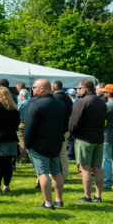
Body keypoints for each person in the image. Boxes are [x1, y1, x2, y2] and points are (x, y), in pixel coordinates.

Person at [24, 80, 65, 209]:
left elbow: (29, 127)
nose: (32, 90)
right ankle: (58, 200)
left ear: (42, 89)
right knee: (56, 172)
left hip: (39, 145)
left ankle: (48, 202)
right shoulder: (60, 104)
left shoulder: (35, 104)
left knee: (43, 173)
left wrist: (27, 144)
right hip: (55, 143)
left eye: (34, 87)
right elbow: (64, 125)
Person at [68, 79, 108, 203]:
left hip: (84, 138)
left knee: (85, 169)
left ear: (85, 89)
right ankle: (98, 196)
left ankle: (87, 196)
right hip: (99, 138)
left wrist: (73, 133)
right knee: (97, 168)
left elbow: (74, 122)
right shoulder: (102, 102)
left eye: (79, 88)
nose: (77, 91)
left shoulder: (82, 102)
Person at [51, 80, 74, 182]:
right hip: (66, 128)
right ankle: (64, 174)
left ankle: (55, 174)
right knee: (63, 153)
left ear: (53, 88)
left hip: (58, 129)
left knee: (55, 153)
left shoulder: (55, 98)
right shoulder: (68, 98)